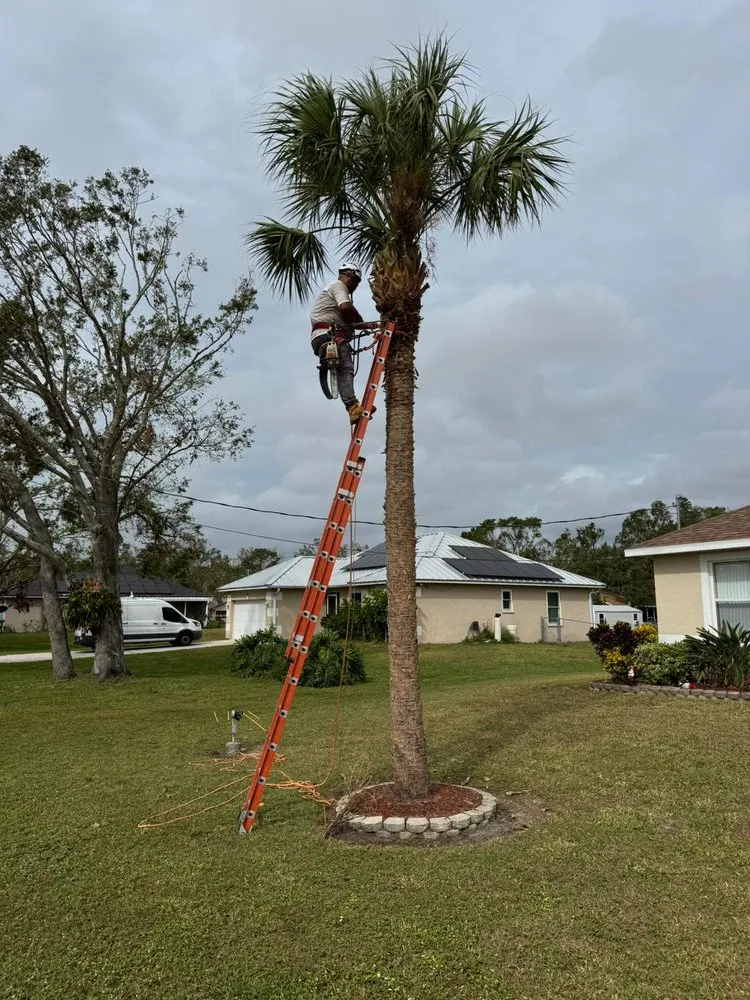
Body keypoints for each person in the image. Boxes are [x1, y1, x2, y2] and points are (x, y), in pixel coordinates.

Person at [310, 262, 373, 424]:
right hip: (329, 335)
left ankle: (352, 406)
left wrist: (366, 326)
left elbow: (349, 321)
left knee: (343, 369)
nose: (355, 287)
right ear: (349, 276)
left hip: (322, 337)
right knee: (346, 368)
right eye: (356, 283)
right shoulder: (338, 286)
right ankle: (352, 407)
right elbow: (346, 308)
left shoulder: (333, 291)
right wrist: (363, 323)